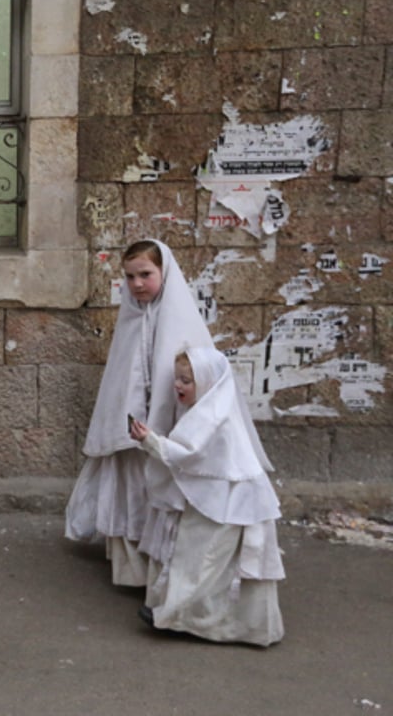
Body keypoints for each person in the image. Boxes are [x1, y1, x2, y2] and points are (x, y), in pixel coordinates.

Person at [65, 239, 213, 587]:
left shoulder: (182, 320)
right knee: (132, 492)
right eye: (130, 277)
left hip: (167, 433)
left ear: (165, 272)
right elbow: (122, 374)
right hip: (132, 431)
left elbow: (199, 377)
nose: (137, 284)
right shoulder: (131, 318)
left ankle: (166, 570)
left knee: (162, 494)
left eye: (145, 275)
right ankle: (134, 571)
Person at [131, 348, 285, 646]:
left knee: (205, 563)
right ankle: (186, 619)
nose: (178, 385)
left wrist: (149, 440)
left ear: (206, 382)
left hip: (228, 502)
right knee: (203, 563)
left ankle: (184, 618)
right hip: (219, 500)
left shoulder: (214, 415)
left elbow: (187, 454)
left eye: (186, 380)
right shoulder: (208, 408)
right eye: (178, 379)